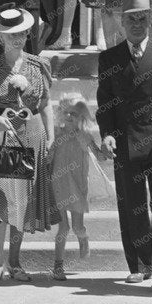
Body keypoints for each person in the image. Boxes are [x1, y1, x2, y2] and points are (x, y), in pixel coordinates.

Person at [95, 0, 152, 290]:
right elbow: (104, 102)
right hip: (125, 142)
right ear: (122, 21)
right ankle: (140, 263)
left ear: (150, 20)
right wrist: (106, 134)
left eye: (142, 18)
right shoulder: (110, 58)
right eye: (131, 19)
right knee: (131, 207)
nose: (137, 24)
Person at [0, 7, 57, 283]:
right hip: (0, 135)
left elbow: (45, 105)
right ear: (0, 37)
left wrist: (51, 137)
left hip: (29, 134)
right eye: (11, 34)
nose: (17, 38)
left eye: (21, 33)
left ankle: (15, 261)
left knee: (21, 201)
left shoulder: (38, 66)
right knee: (0, 198)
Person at [48, 93, 102, 279]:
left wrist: (107, 151)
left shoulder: (85, 135)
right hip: (59, 183)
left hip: (78, 185)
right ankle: (58, 266)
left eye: (74, 113)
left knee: (77, 226)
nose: (69, 116)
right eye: (66, 112)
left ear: (82, 116)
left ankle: (83, 237)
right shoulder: (57, 133)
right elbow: (49, 155)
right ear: (61, 114)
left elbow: (99, 154)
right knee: (63, 228)